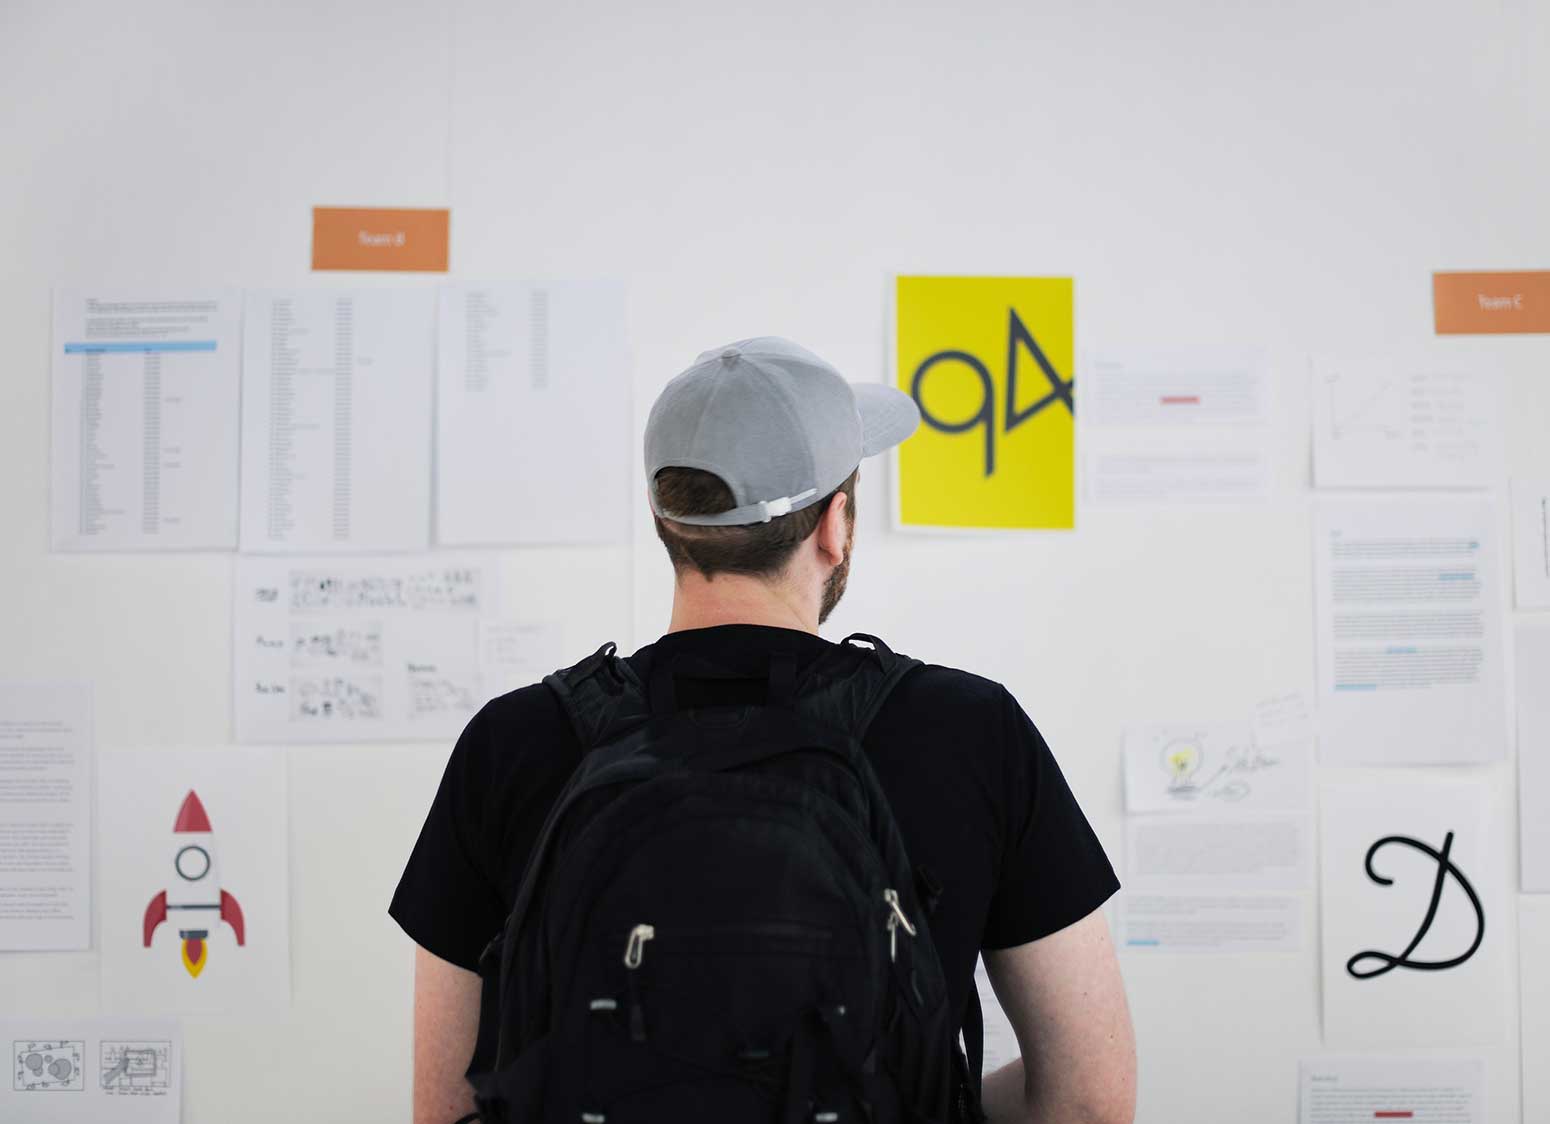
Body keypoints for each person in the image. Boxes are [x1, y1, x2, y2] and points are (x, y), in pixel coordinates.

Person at [390, 337, 1136, 1124]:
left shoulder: (512, 743)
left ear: (665, 522)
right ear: (834, 527)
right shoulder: (970, 733)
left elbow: (448, 1110)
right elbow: (1089, 1100)